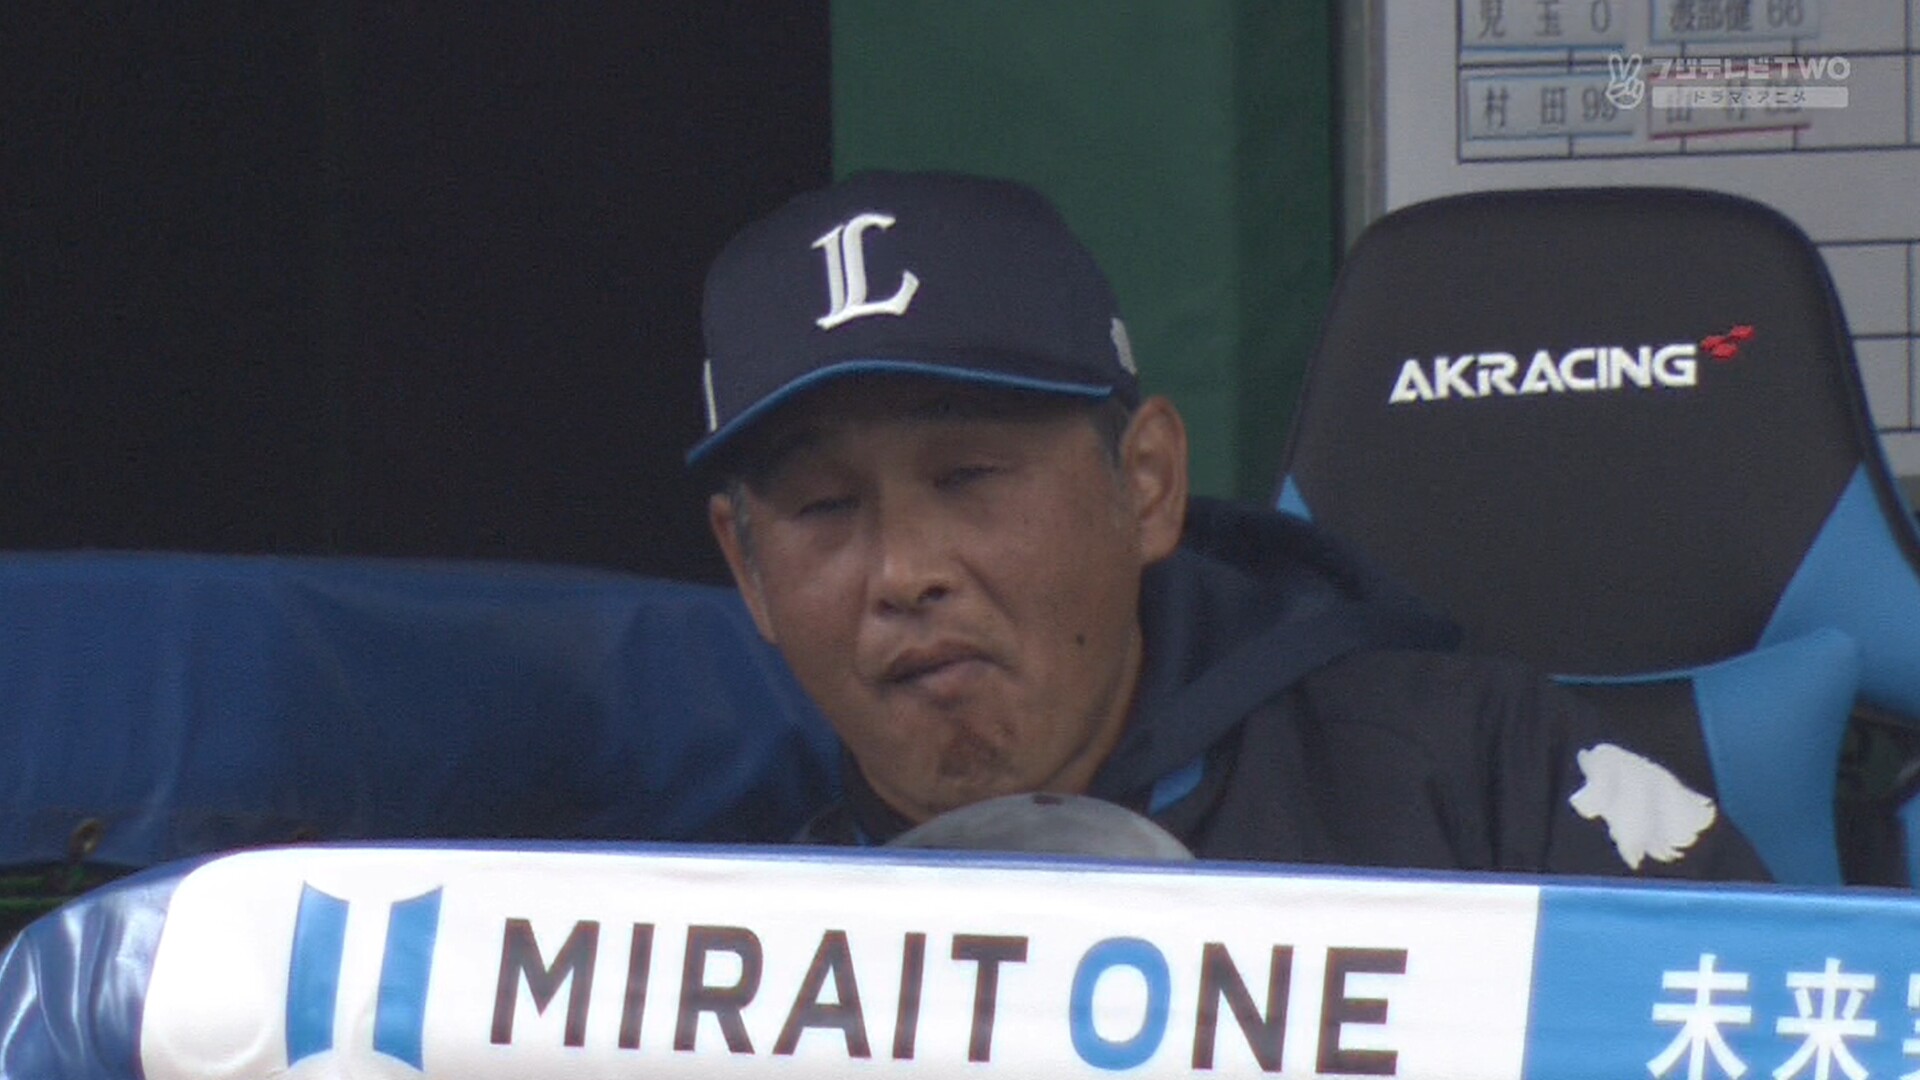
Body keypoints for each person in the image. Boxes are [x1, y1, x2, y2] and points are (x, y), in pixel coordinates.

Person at [686, 169, 1768, 880]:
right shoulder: (715, 955)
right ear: (748, 569)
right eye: (825, 507)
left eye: (968, 476)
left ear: (1147, 486)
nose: (905, 571)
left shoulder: (1477, 782)